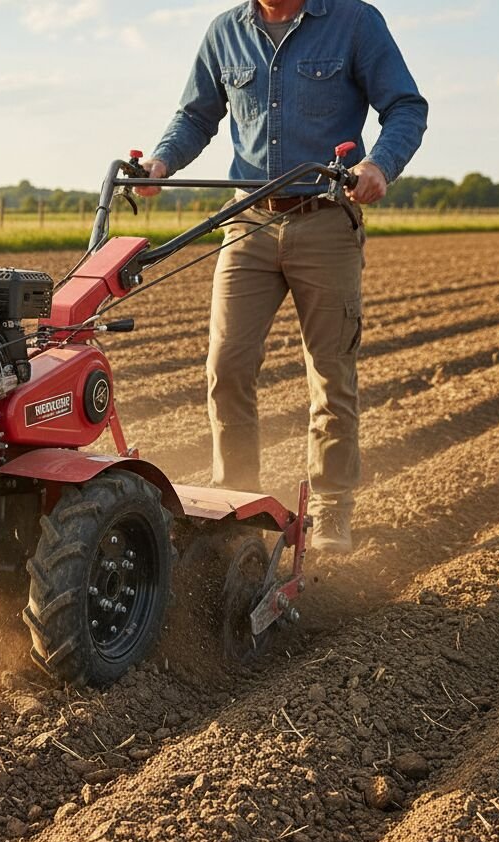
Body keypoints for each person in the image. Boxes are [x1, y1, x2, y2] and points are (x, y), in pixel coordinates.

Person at [138, 0, 427, 553]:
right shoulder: (226, 31)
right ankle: (237, 503)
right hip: (247, 221)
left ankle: (331, 507)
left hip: (325, 221)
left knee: (330, 372)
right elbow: (197, 115)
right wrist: (160, 163)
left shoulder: (355, 22)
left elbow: (406, 106)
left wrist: (379, 164)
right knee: (227, 366)